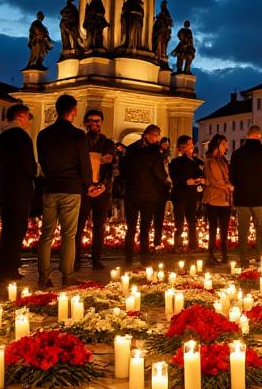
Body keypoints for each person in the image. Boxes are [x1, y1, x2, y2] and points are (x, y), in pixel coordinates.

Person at [35, 95, 91, 287]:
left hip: (50, 187)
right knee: (69, 234)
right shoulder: (78, 135)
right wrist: (88, 184)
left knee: (46, 234)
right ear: (73, 111)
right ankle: (67, 275)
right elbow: (84, 163)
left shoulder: (43, 134)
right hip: (71, 188)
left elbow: (42, 160)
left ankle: (43, 276)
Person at [0, 104, 36, 282]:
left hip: (4, 186)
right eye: (28, 117)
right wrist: (35, 173)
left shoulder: (2, 135)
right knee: (17, 228)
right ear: (21, 117)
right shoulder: (21, 135)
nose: (29, 122)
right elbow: (28, 164)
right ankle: (10, 268)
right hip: (19, 188)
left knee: (7, 227)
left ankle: (3, 265)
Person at [122, 125, 171, 266]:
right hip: (148, 195)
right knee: (144, 229)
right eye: (156, 135)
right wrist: (166, 182)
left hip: (132, 194)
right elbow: (160, 173)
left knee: (131, 228)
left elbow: (123, 169)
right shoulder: (155, 152)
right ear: (147, 135)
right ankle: (144, 258)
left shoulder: (131, 149)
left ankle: (128, 258)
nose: (157, 139)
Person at [75, 110, 115, 268]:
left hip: (102, 191)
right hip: (84, 190)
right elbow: (77, 165)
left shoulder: (108, 143)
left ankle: (96, 259)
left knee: (99, 226)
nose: (94, 123)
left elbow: (112, 167)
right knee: (78, 225)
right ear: (85, 123)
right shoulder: (80, 142)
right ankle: (75, 259)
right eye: (90, 120)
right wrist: (87, 186)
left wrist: (103, 185)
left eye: (97, 120)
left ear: (101, 123)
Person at [229, 126, 262, 264]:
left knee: (243, 229)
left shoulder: (237, 153)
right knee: (260, 228)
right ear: (260, 135)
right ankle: (259, 255)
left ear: (247, 135)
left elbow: (232, 177)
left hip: (242, 197)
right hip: (260, 197)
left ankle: (243, 257)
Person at [169, 136, 205, 253]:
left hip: (192, 195)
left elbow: (200, 173)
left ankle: (193, 245)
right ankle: (178, 245)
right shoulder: (175, 162)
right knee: (179, 221)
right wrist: (186, 181)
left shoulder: (196, 161)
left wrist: (201, 179)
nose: (191, 146)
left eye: (191, 144)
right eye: (188, 144)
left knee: (192, 221)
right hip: (180, 195)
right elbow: (175, 178)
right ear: (182, 147)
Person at [202, 135, 233, 264]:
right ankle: (212, 254)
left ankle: (224, 254)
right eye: (224, 144)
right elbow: (217, 181)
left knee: (224, 229)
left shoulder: (222, 160)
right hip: (214, 200)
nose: (226, 147)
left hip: (224, 200)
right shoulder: (211, 161)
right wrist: (229, 186)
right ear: (217, 145)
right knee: (214, 228)